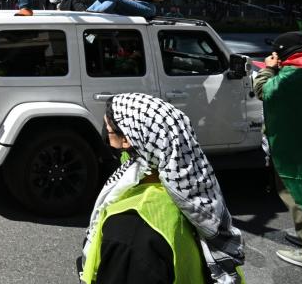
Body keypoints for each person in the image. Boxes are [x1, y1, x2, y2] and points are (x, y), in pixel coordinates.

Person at [80, 93, 244, 283]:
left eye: (107, 131)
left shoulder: (129, 229)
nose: (106, 138)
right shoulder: (199, 198)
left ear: (127, 141)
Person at [253, 32, 302, 269]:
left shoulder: (293, 74)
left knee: (299, 197)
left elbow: (263, 90)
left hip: (295, 152)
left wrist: (268, 69)